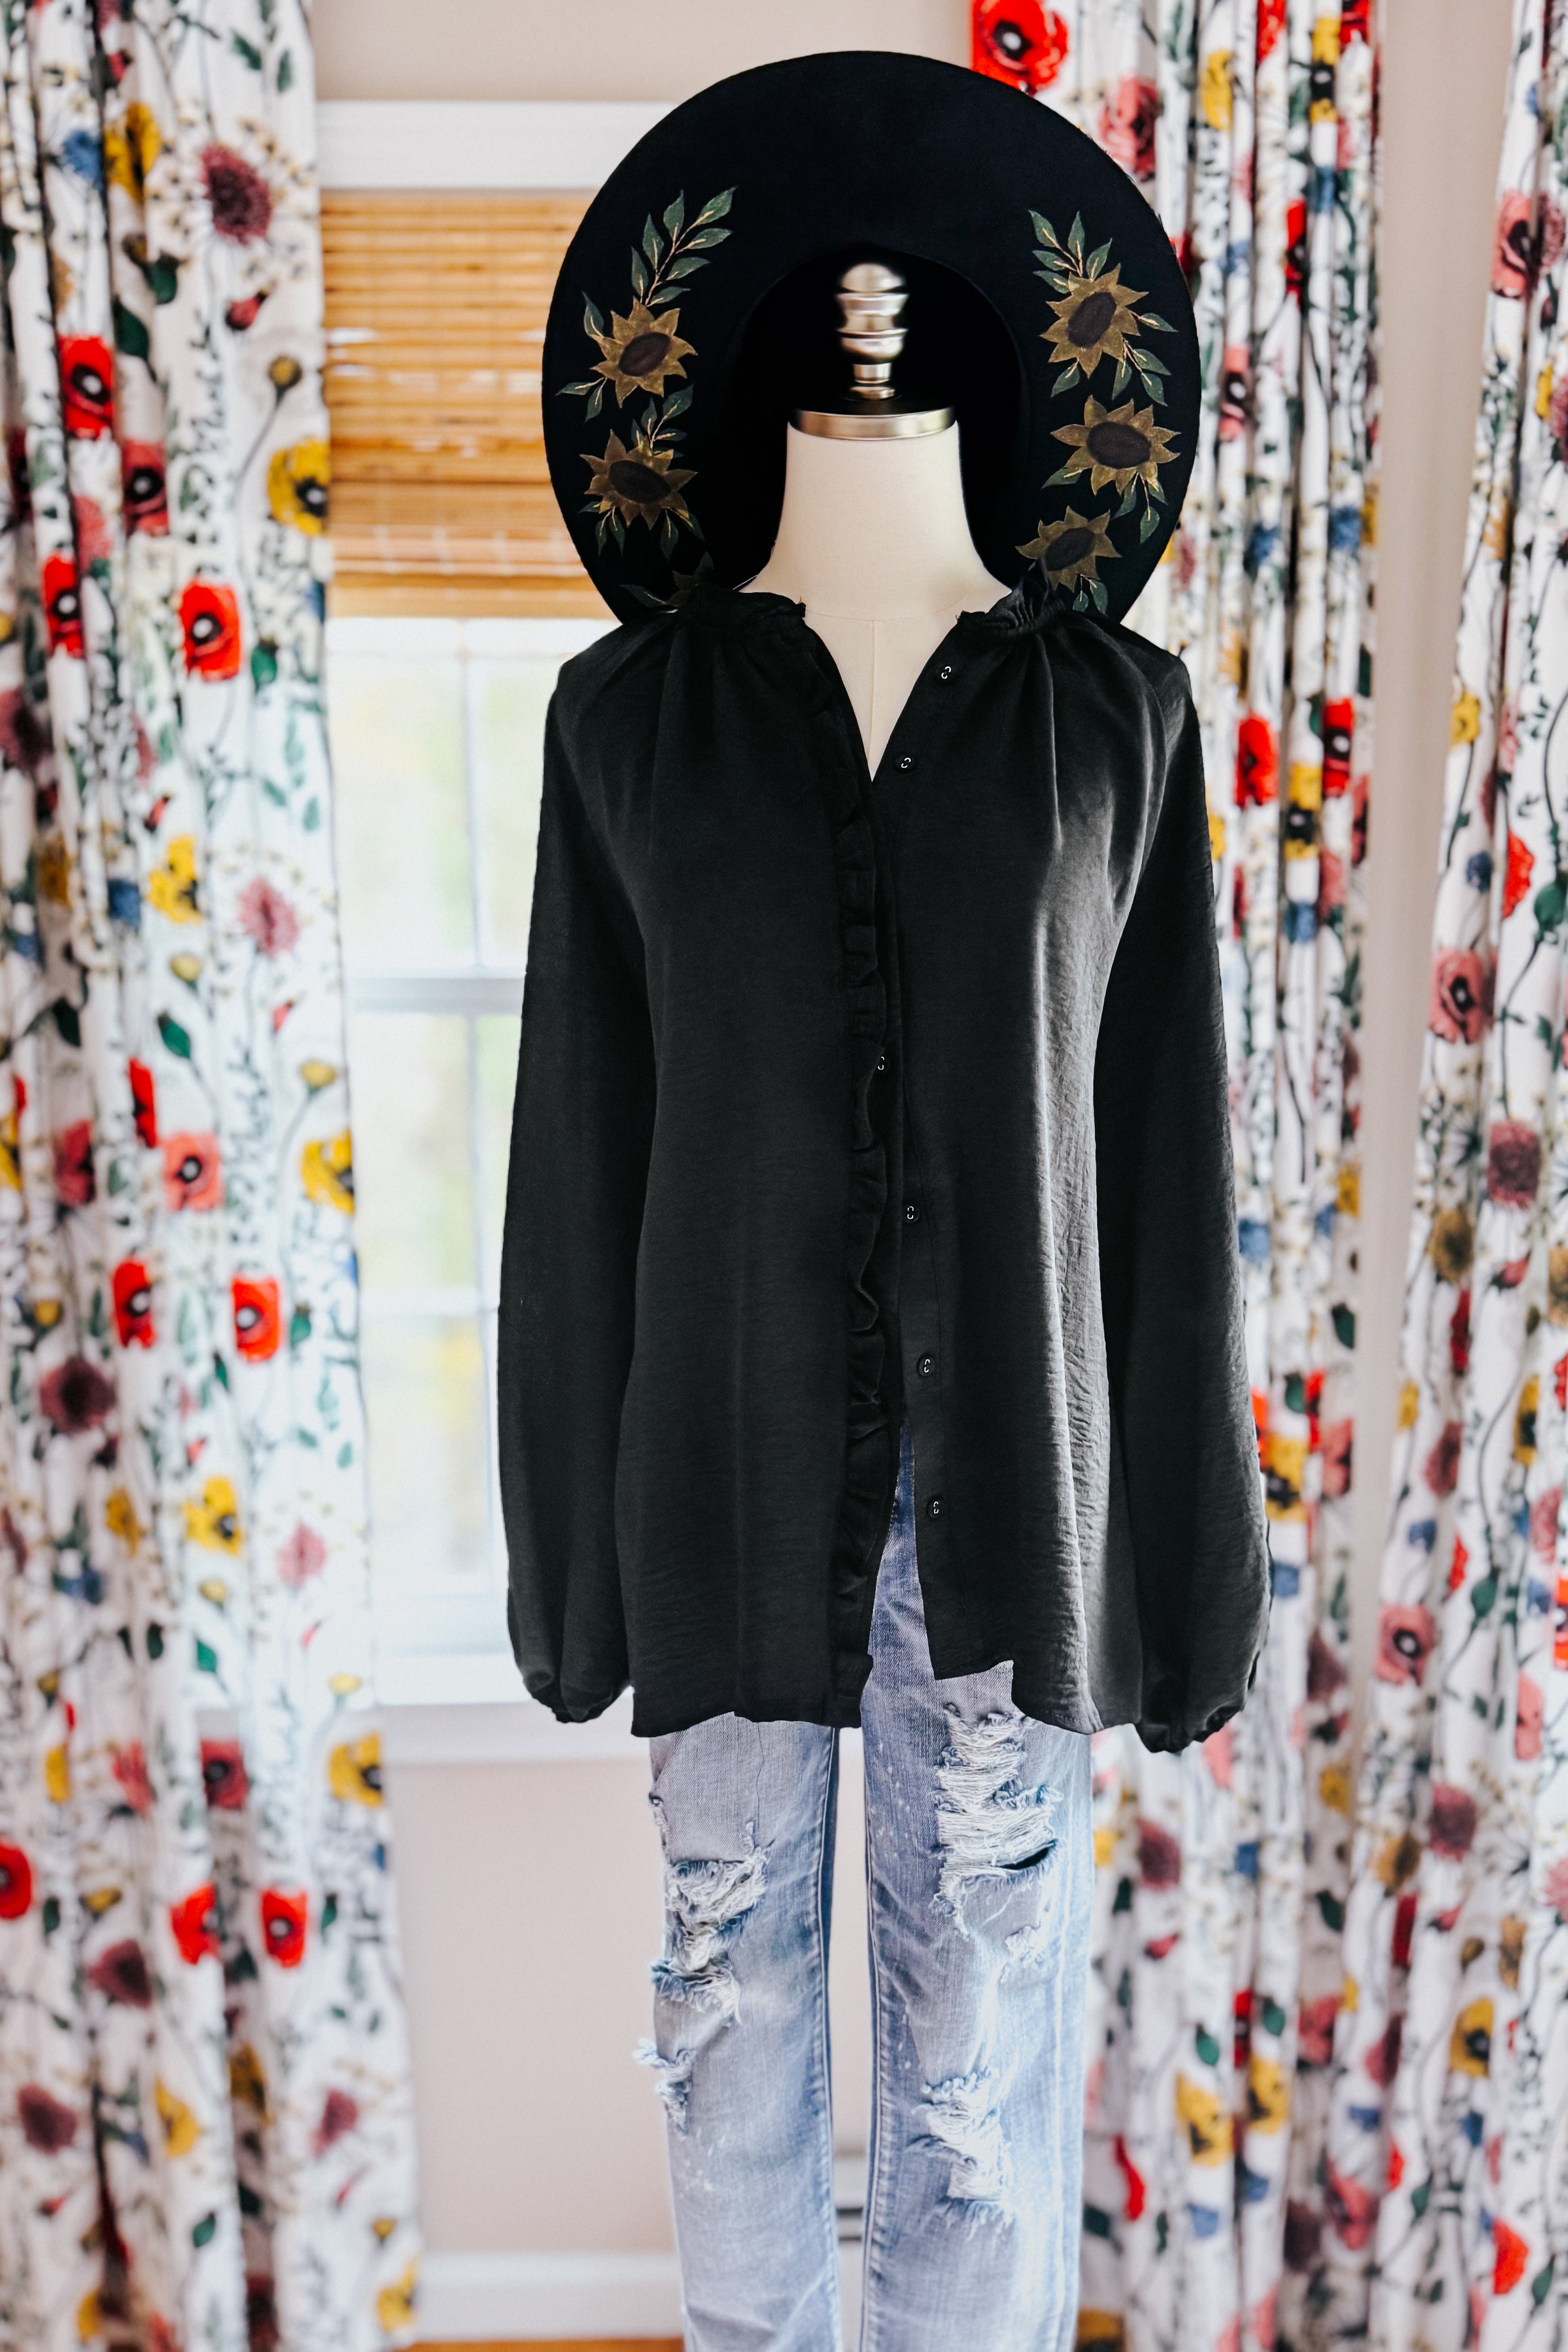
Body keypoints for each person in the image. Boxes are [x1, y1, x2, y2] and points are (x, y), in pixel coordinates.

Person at [500, 52, 1269, 2352]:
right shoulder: (624, 725)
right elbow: (575, 1158)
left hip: (1015, 1497)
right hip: (720, 1485)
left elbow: (1163, 1162)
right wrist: (561, 1553)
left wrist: (1187, 1575)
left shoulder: (1115, 723)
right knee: (731, 2019)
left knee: (978, 2065)